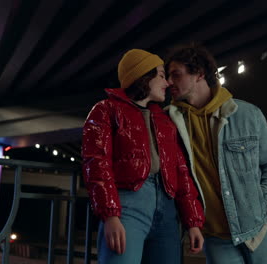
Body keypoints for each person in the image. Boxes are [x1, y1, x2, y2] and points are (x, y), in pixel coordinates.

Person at [164, 44, 267, 263]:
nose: (169, 82)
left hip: (257, 229)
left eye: (176, 75)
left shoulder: (247, 114)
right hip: (214, 236)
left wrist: (266, 202)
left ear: (199, 74)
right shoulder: (170, 122)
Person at [82, 49, 205, 264]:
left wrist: (193, 222)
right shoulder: (105, 110)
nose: (167, 82)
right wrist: (110, 215)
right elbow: (97, 163)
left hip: (168, 210)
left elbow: (181, 171)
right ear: (142, 76)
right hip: (127, 206)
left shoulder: (166, 121)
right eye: (160, 75)